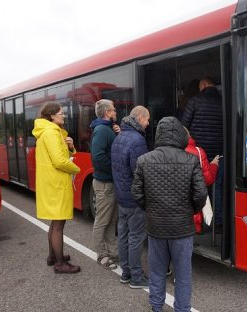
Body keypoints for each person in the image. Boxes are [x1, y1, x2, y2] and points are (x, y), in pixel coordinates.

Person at [132, 116, 207, 312]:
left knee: (157, 271)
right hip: (183, 228)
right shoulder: (191, 160)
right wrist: (191, 210)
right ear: (181, 135)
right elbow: (201, 194)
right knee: (183, 274)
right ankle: (182, 309)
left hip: (156, 227)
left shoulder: (144, 160)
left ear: (159, 134)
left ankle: (156, 307)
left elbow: (137, 193)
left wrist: (151, 209)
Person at [32, 102, 81, 274]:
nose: (64, 115)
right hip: (57, 183)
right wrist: (76, 169)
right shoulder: (52, 133)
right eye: (61, 113)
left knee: (55, 223)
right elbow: (59, 161)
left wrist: (70, 147)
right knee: (58, 224)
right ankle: (60, 263)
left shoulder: (48, 132)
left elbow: (61, 155)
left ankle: (53, 256)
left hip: (51, 183)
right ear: (52, 116)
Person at [111, 106, 150, 289]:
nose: (148, 123)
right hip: (134, 199)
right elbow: (140, 173)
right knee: (136, 237)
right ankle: (136, 277)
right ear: (140, 117)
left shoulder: (119, 137)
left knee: (124, 235)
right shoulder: (137, 140)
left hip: (121, 196)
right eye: (147, 119)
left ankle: (125, 273)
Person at [181, 76, 223, 232]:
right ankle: (217, 222)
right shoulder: (224, 101)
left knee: (197, 187)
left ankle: (199, 223)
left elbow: (183, 127)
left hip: (199, 153)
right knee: (217, 187)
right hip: (219, 153)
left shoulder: (194, 101)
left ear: (204, 85)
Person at [90, 99, 121, 270]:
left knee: (111, 219)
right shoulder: (102, 130)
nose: (116, 112)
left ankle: (113, 252)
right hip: (105, 183)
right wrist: (115, 168)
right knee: (102, 220)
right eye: (114, 110)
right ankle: (102, 255)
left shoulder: (108, 128)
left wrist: (118, 133)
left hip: (109, 182)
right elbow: (98, 156)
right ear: (107, 112)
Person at [184, 128, 220, 234]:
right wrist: (214, 165)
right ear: (189, 136)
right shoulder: (198, 152)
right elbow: (207, 180)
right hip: (193, 220)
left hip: (169, 219)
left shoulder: (162, 154)